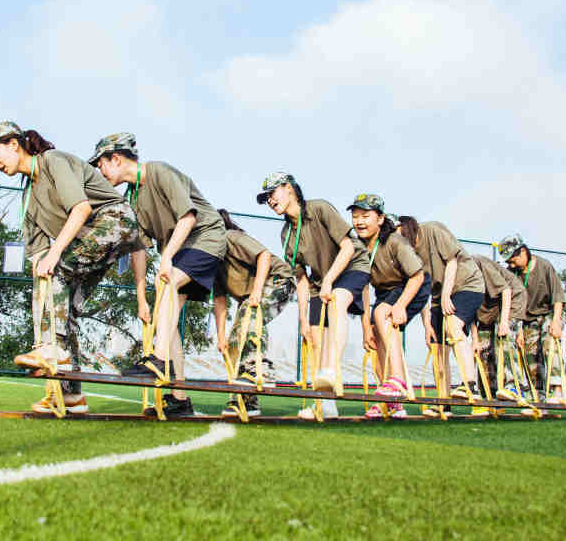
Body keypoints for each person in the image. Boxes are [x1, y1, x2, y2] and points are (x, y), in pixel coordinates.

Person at [0, 121, 142, 416]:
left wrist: (54, 257)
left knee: (59, 267)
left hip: (117, 222)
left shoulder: (52, 161)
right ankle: (71, 396)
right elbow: (38, 260)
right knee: (65, 309)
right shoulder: (28, 201)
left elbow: (81, 209)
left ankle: (56, 349)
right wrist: (42, 325)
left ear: (14, 144)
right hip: (89, 242)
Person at [91, 132, 227, 419]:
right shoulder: (133, 199)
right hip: (180, 251)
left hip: (205, 238)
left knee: (168, 285)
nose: (99, 172)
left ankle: (160, 360)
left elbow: (188, 217)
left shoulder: (159, 172)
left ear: (115, 159)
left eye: (101, 164)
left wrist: (166, 258)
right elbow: (139, 249)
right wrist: (141, 299)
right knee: (167, 315)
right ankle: (180, 399)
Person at [259, 172, 371, 420]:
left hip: (352, 265)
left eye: (272, 193)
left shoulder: (319, 208)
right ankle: (325, 405)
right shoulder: (286, 235)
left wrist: (330, 280)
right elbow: (300, 279)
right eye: (266, 198)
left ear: (289, 188)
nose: (269, 200)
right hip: (322, 282)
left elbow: (349, 246)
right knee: (314, 336)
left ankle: (332, 370)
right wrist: (303, 318)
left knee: (338, 300)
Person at [349, 195, 431, 419]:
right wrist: (366, 327)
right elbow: (363, 289)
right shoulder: (359, 247)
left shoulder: (394, 241)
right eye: (355, 217)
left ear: (381, 218)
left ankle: (397, 381)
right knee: (375, 335)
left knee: (382, 312)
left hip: (412, 285)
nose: (359, 221)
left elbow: (417, 276)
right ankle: (390, 401)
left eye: (365, 216)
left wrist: (401, 305)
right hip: (386, 291)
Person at [212, 209, 296, 418]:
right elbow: (220, 300)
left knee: (250, 317)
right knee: (235, 341)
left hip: (278, 279)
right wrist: (221, 336)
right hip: (248, 299)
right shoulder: (211, 259)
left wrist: (257, 291)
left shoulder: (231, 237)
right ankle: (245, 400)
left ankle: (262, 369)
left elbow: (264, 256)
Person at [411, 219, 486, 407]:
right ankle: (443, 401)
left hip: (467, 284)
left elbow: (452, 261)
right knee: (436, 344)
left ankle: (470, 385)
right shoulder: (407, 253)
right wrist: (427, 325)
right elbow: (419, 288)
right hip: (439, 295)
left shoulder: (431, 230)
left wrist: (445, 295)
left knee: (453, 326)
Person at [497, 235, 566, 403]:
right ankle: (537, 396)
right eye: (508, 262)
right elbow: (518, 306)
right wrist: (520, 331)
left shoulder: (544, 266)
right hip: (529, 318)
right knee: (530, 352)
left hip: (552, 311)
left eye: (513, 260)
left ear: (523, 251)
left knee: (548, 341)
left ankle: (558, 391)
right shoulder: (512, 273)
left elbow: (558, 297)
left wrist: (556, 322)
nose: (511, 264)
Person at [471, 254, 528, 401]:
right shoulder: (455, 279)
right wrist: (475, 340)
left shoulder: (477, 263)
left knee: (503, 338)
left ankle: (515, 386)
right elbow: (468, 311)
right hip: (488, 309)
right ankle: (488, 393)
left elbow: (506, 291)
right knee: (482, 349)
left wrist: (504, 322)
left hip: (512, 298)